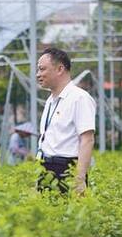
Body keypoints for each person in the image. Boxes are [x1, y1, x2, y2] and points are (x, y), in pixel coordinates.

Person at [36, 47, 95, 195]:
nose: (38, 75)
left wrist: (79, 179)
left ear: (60, 69)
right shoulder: (50, 100)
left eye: (42, 69)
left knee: (67, 216)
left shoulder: (79, 98)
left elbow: (87, 140)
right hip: (46, 167)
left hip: (67, 170)